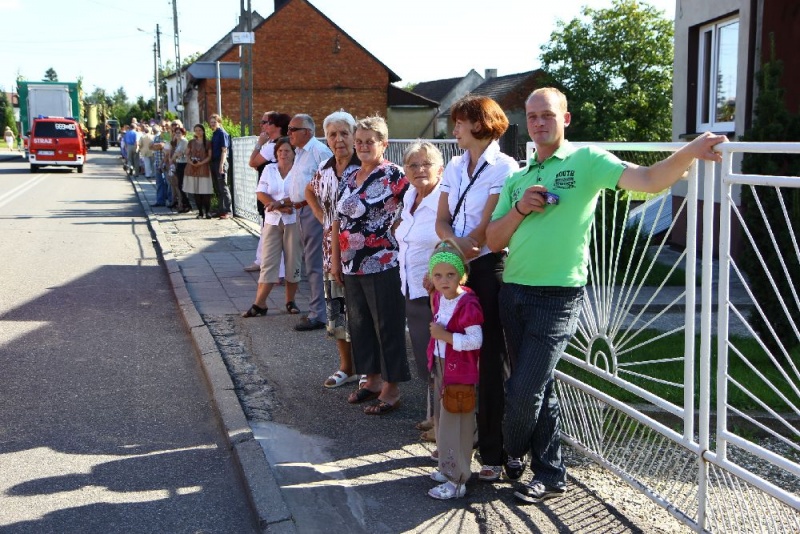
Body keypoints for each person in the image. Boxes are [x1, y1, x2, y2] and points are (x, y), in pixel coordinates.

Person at [485, 87, 728, 504]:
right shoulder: (518, 178)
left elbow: (649, 180)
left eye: (546, 114)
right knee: (538, 384)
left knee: (524, 389)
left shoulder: (587, 161)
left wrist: (690, 151)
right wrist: (520, 208)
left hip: (558, 296)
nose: (538, 122)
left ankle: (511, 449)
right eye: (532, 115)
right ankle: (551, 472)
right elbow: (493, 239)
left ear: (566, 119)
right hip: (514, 291)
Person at [435, 94, 519, 482]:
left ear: (478, 123)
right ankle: (457, 441)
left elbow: (486, 228)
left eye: (459, 123)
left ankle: (495, 451)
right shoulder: (453, 165)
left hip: (485, 267)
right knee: (452, 350)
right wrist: (454, 246)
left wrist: (464, 244)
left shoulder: (504, 165)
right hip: (455, 264)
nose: (454, 130)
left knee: (489, 357)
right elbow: (441, 220)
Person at [332, 115, 410, 415]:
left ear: (383, 144)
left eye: (370, 141)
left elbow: (415, 204)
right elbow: (339, 220)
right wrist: (338, 261)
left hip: (383, 263)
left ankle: (391, 389)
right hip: (352, 265)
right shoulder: (350, 176)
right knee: (360, 325)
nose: (363, 146)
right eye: (360, 141)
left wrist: (398, 228)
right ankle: (372, 381)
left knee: (387, 326)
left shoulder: (394, 175)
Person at [305, 110, 361, 388]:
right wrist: (321, 217)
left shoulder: (366, 167)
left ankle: (368, 370)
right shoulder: (325, 168)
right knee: (337, 311)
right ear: (326, 139)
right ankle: (346, 367)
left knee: (361, 314)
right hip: (331, 254)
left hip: (362, 255)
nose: (339, 139)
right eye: (332, 134)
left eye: (344, 133)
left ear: (354, 135)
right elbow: (309, 191)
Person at [425, 240, 483, 500]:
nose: (444, 280)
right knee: (443, 422)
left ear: (462, 275)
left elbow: (475, 341)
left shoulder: (467, 304)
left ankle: (457, 479)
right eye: (438, 275)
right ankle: (447, 467)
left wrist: (445, 336)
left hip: (460, 374)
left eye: (450, 274)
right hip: (442, 369)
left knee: (457, 425)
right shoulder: (439, 297)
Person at [395, 141, 445, 438]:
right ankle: (433, 414)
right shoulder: (410, 195)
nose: (419, 170)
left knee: (441, 359)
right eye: (413, 165)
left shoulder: (444, 199)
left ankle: (445, 424)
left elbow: (452, 237)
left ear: (440, 168)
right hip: (411, 287)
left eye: (426, 164)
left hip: (436, 290)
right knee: (425, 358)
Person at [242, 136, 303, 318]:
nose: (283, 154)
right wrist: (278, 205)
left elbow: (302, 195)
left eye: (287, 151)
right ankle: (260, 303)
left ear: (294, 153)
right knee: (268, 261)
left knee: (293, 261)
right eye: (280, 151)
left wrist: (282, 203)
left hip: (293, 221)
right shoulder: (269, 169)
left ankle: (290, 301)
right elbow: (261, 192)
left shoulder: (299, 171)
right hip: (272, 220)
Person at [286, 114, 333, 331]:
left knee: (314, 263)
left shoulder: (318, 151)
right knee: (311, 263)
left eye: (293, 129)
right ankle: (318, 310)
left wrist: (319, 213)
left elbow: (329, 186)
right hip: (301, 211)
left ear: (307, 131)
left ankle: (319, 315)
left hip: (313, 212)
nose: (289, 134)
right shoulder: (300, 152)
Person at [245, 111, 291, 272]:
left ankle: (273, 266)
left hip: (272, 193)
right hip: (276, 192)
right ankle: (261, 260)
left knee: (271, 229)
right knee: (267, 227)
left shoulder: (273, 146)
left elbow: (253, 162)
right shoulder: (280, 144)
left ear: (277, 126)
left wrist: (259, 143)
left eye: (266, 122)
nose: (263, 125)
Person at [183, 123, 214, 219]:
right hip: (192, 168)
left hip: (203, 168)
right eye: (196, 130)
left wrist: (201, 163)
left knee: (206, 191)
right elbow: (187, 154)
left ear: (203, 131)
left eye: (199, 130)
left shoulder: (207, 142)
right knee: (196, 191)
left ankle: (207, 211)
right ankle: (200, 212)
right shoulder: (191, 142)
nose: (198, 132)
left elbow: (209, 156)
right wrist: (190, 162)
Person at [208, 114, 232, 219]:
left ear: (219, 122)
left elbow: (224, 150)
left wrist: (221, 166)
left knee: (223, 187)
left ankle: (228, 211)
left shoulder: (222, 133)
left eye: (215, 122)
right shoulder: (215, 133)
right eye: (211, 122)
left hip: (220, 162)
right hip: (214, 162)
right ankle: (221, 210)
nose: (213, 124)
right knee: (218, 188)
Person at [171, 126, 192, 213]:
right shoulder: (179, 142)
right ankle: (184, 204)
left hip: (184, 164)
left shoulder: (184, 141)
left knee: (182, 185)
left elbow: (181, 154)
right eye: (176, 133)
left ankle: (187, 205)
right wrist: (175, 156)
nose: (177, 134)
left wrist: (176, 156)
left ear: (183, 133)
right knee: (180, 185)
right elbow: (175, 155)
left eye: (179, 133)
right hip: (179, 164)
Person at [151, 124, 169, 207]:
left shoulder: (168, 136)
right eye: (163, 126)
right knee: (159, 183)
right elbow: (150, 147)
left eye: (166, 126)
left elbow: (163, 146)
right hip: (158, 163)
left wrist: (159, 146)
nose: (164, 128)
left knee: (168, 183)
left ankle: (170, 201)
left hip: (166, 164)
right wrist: (158, 146)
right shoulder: (157, 137)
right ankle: (160, 201)